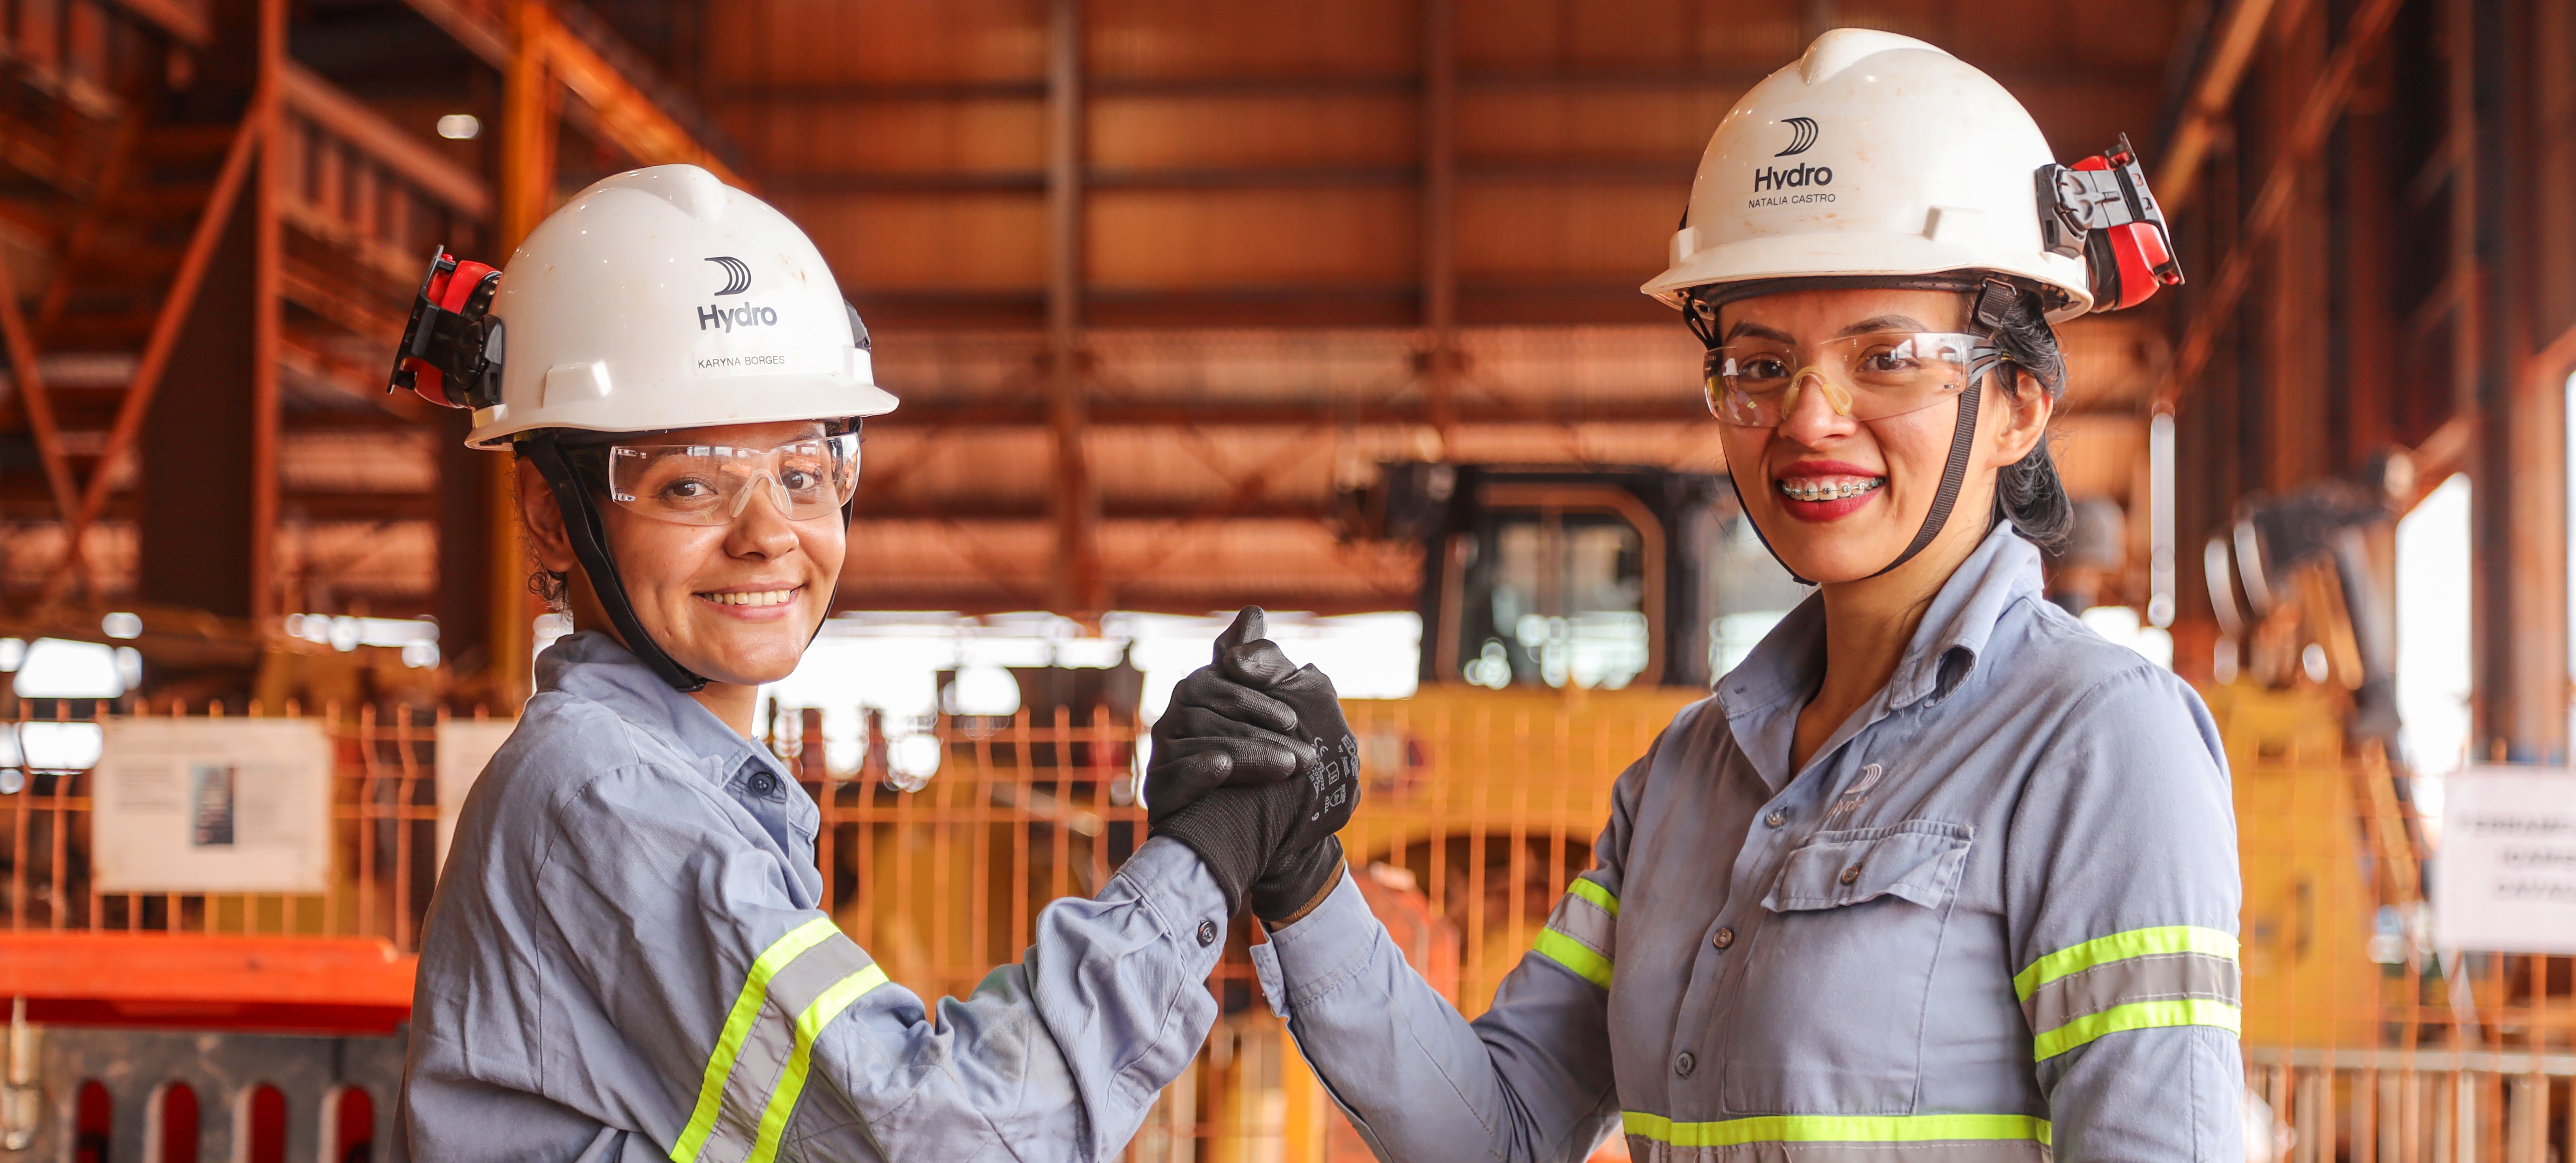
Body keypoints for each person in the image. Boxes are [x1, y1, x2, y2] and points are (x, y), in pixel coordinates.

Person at [1161, 29, 2244, 1163]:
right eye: (1760, 365)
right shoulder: (1685, 776)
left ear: (2017, 406)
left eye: (1883, 358)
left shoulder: (2100, 744)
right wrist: (1300, 878)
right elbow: (1503, 1133)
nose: (1808, 417)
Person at [394, 164, 1355, 1163]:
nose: (767, 534)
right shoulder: (607, 794)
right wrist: (1208, 853)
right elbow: (951, 1142)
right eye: (687, 484)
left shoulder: (678, 785)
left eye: (804, 473)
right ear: (553, 516)